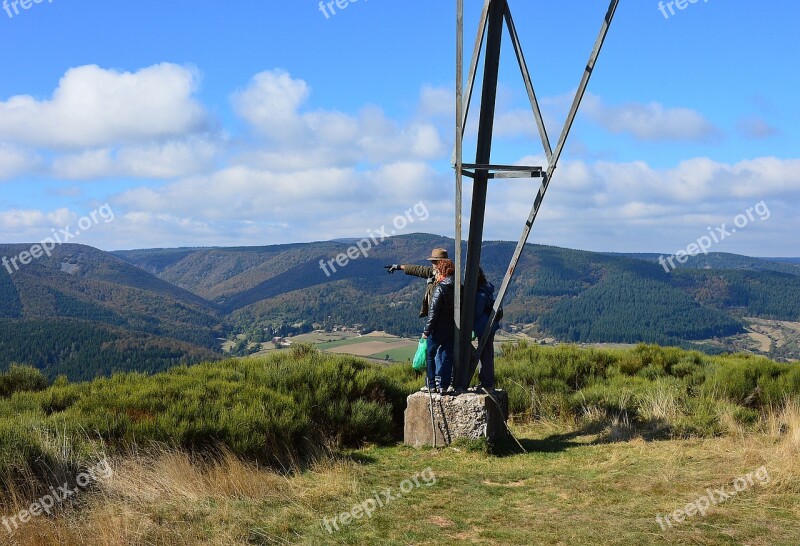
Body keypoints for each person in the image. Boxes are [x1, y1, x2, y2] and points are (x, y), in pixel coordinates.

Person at [423, 259, 456, 394]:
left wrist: (426, 331)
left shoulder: (440, 288)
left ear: (441, 272)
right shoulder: (458, 287)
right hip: (452, 329)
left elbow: (433, 313)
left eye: (436, 272)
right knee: (448, 356)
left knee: (429, 354)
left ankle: (431, 385)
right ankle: (445, 385)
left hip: (438, 329)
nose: (435, 274)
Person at [385, 248, 448, 318]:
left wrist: (430, 284)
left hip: (441, 319)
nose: (432, 263)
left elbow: (436, 296)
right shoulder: (437, 272)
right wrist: (398, 267)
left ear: (440, 262)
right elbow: (418, 269)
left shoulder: (446, 278)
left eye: (433, 261)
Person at [472, 268, 500, 393]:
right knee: (487, 354)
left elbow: (476, 312)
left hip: (483, 327)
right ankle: (486, 382)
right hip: (489, 326)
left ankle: (487, 382)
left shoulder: (480, 294)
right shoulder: (486, 290)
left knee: (485, 355)